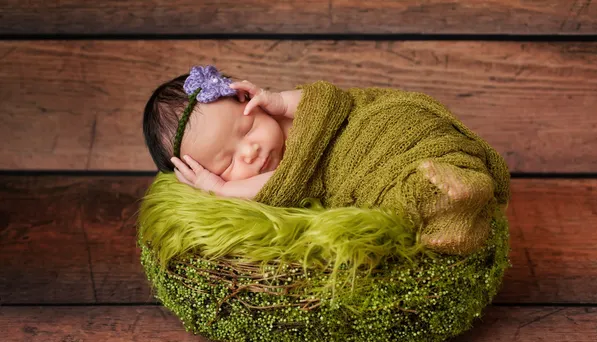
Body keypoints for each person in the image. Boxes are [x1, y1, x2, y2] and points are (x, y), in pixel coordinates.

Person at [143, 65, 509, 254]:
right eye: (227, 162)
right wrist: (220, 189)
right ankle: (454, 204)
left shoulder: (286, 109)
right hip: (361, 168)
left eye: (248, 127)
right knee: (392, 195)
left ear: (249, 99)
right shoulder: (269, 177)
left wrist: (281, 100)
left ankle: (456, 170)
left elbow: (332, 102)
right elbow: (278, 187)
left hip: (375, 127)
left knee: (412, 133)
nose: (250, 151)